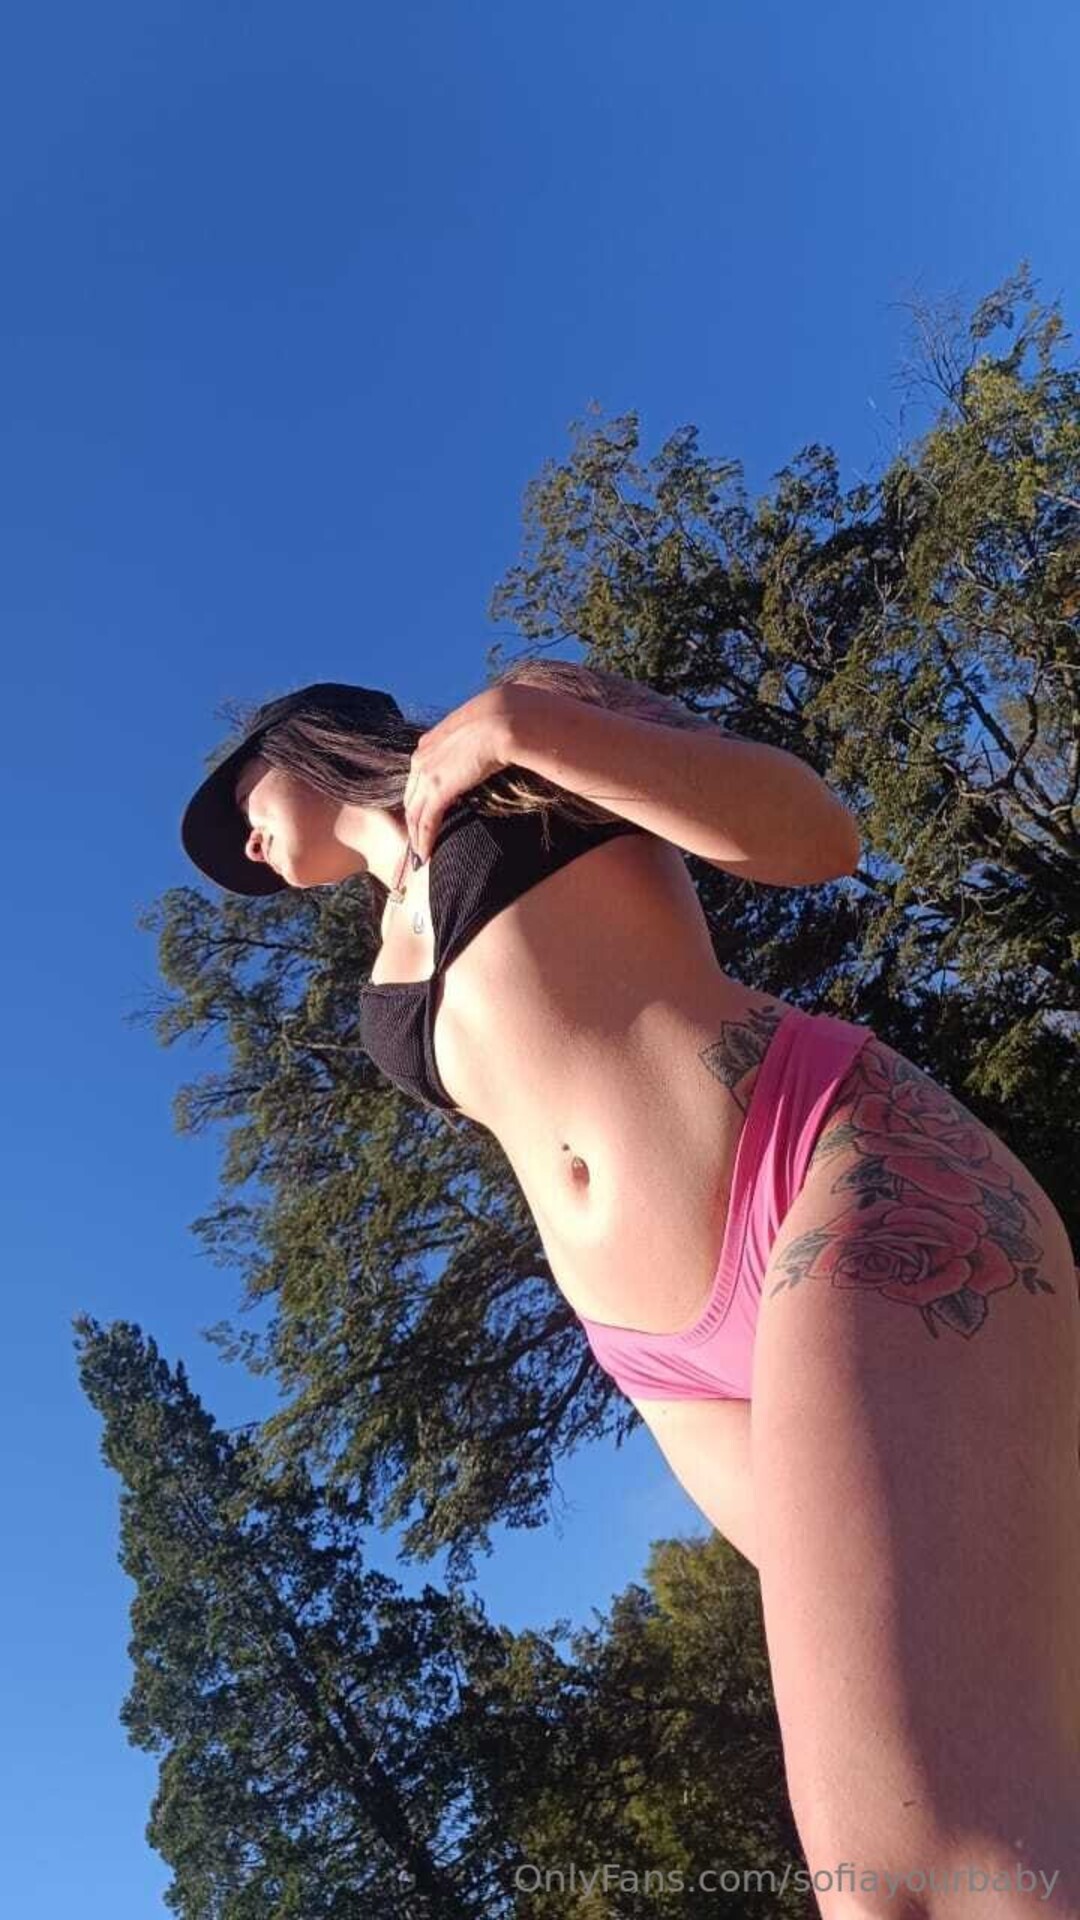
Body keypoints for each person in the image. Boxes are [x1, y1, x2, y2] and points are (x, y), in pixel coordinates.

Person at [181, 672, 1080, 1916]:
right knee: (1002, 1707)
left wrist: (526, 729)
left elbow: (815, 836)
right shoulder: (386, 953)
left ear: (301, 736)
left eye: (238, 803)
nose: (243, 846)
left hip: (815, 1172)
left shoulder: (516, 728)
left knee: (909, 1859)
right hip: (667, 1367)